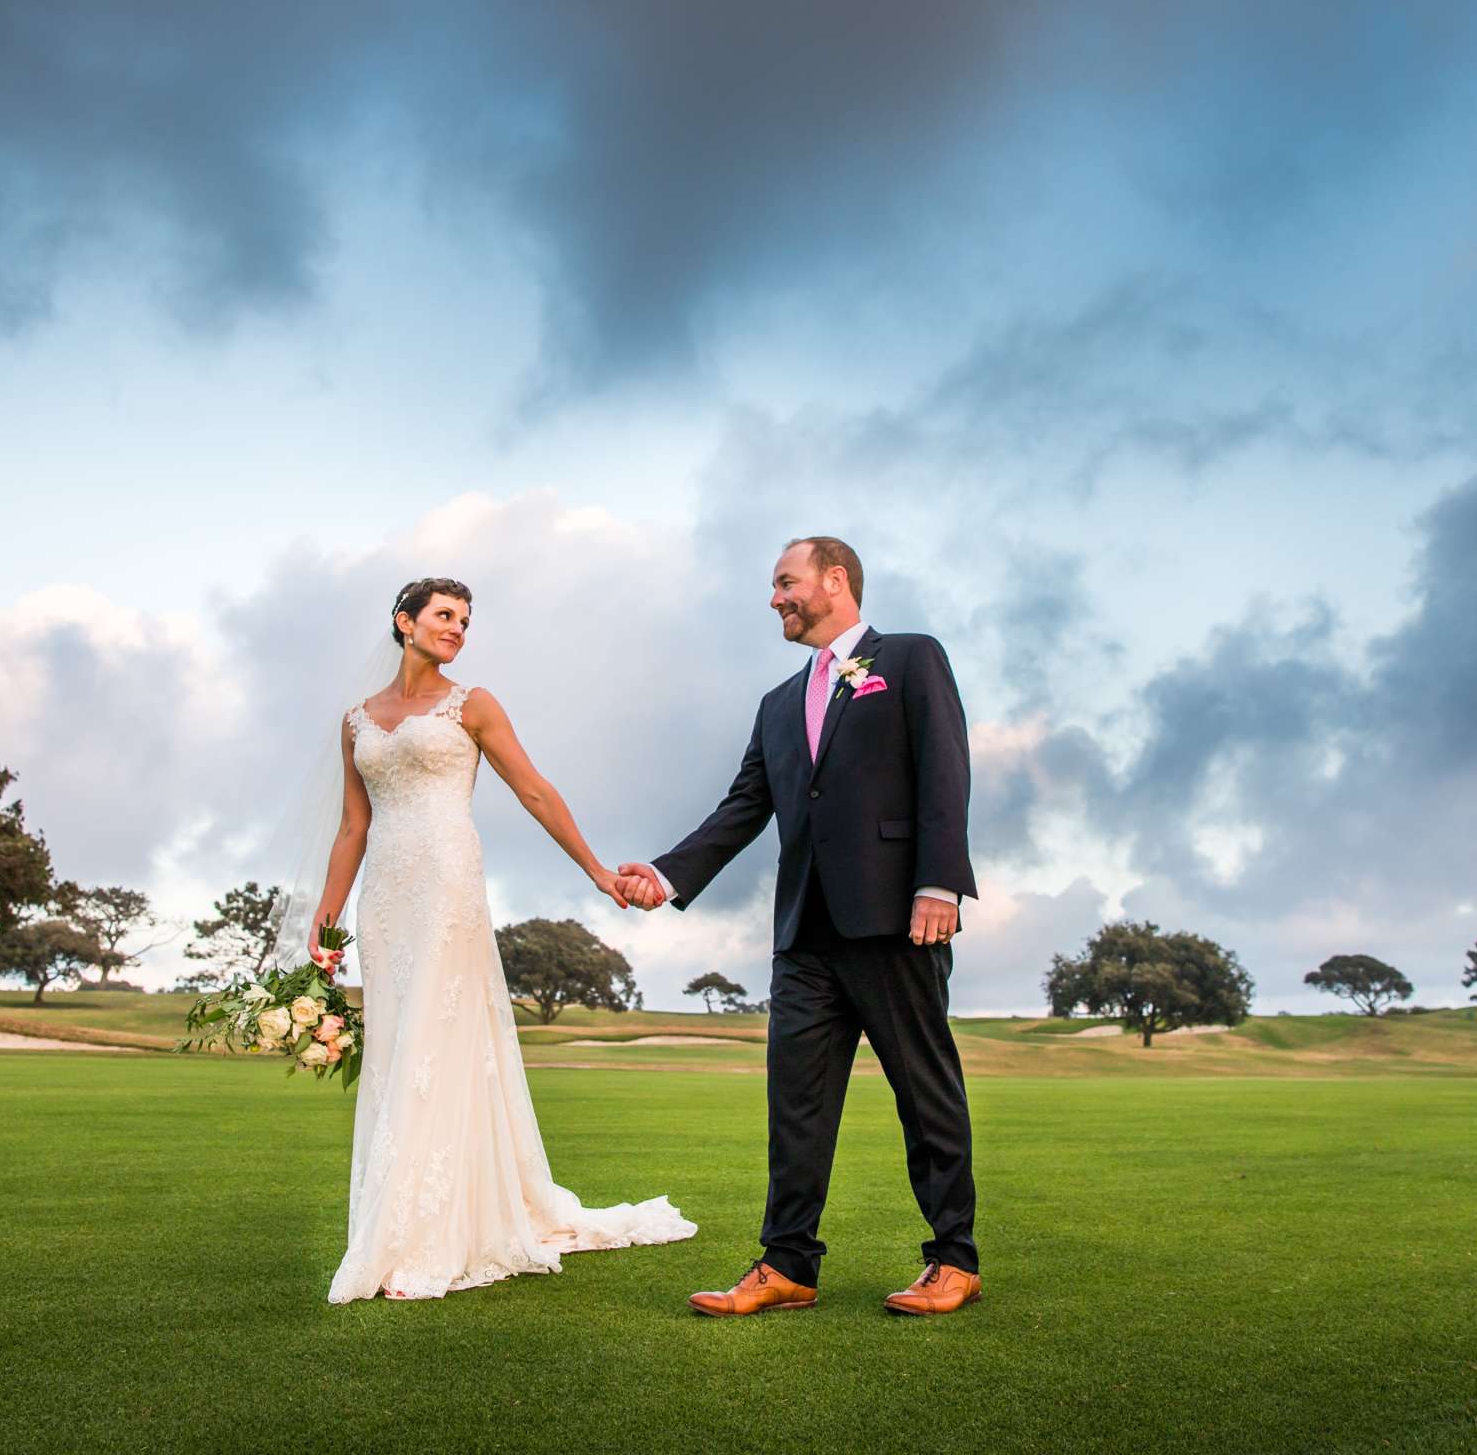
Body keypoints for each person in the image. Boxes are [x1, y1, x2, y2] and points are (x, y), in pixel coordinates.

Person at [621, 536, 981, 1317]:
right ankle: (787, 1265)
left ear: (835, 581)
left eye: (786, 582)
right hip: (804, 934)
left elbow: (946, 770)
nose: (776, 598)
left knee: (925, 1094)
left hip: (898, 920)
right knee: (796, 1104)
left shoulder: (912, 658)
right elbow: (744, 806)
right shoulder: (778, 703)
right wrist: (669, 872)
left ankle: (953, 1258)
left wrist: (939, 882)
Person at [309, 576, 694, 1302]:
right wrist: (326, 918)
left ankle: (429, 1236)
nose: (457, 628)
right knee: (399, 1052)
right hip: (386, 897)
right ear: (405, 622)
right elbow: (353, 827)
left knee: (438, 1041)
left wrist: (596, 871)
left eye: (465, 619)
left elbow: (535, 790)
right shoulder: (356, 721)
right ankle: (398, 1225)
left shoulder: (473, 704)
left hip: (449, 883)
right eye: (444, 615)